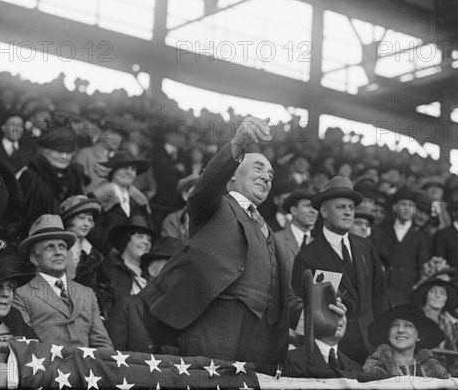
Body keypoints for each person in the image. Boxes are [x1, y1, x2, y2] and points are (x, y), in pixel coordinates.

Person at [141, 116, 341, 364]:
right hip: (214, 325)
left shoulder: (272, 234)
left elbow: (286, 301)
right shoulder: (215, 208)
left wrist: (323, 316)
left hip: (262, 339)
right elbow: (203, 190)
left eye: (270, 174)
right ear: (233, 175)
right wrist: (236, 144)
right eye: (258, 168)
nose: (267, 177)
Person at [292, 176, 389, 364]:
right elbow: (303, 314)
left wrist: (383, 341)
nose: (348, 213)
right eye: (341, 207)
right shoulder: (307, 256)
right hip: (335, 354)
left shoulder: (365, 247)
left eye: (351, 208)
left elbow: (380, 295)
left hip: (373, 350)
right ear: (324, 211)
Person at [13, 214, 113, 349]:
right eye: (50, 247)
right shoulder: (21, 294)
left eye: (62, 246)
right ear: (34, 259)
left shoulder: (86, 293)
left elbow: (102, 344)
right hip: (47, 368)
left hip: (86, 368)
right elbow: (25, 346)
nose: (58, 252)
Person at [106, 237, 182, 353]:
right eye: (169, 264)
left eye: (180, 267)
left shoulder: (186, 311)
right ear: (152, 270)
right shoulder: (128, 306)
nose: (175, 271)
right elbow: (113, 357)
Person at [18, 123, 85, 224]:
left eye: (68, 152)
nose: (64, 157)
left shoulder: (74, 177)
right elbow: (23, 217)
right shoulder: (31, 177)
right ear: (45, 150)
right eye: (59, 151)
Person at [363, 303, 448, 379]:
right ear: (388, 335)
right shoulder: (376, 367)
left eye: (408, 325)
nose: (400, 330)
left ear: (419, 336)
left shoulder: (433, 368)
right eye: (395, 325)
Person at [376, 187, 430, 305]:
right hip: (385, 286)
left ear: (414, 209)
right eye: (403, 204)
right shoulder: (384, 231)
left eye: (410, 205)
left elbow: (423, 266)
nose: (407, 208)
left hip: (408, 288)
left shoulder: (421, 235)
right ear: (395, 207)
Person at [91, 151, 151, 253]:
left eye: (133, 169)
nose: (129, 172)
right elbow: (93, 232)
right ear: (112, 171)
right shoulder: (99, 198)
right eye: (125, 168)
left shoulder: (138, 203)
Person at [103, 219, 155, 315]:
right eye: (140, 236)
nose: (146, 242)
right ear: (126, 239)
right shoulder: (108, 267)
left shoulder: (150, 274)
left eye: (149, 239)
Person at [273, 185, 316, 278]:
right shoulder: (276, 240)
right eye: (307, 206)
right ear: (294, 211)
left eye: (315, 207)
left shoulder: (319, 245)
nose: (313, 211)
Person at [74, 119, 125, 194]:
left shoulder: (118, 158)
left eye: (120, 135)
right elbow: (77, 184)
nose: (117, 138)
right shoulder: (86, 153)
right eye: (113, 133)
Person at [160, 174, 199, 244]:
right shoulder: (172, 220)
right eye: (195, 191)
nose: (200, 195)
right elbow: (170, 250)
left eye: (203, 191)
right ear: (185, 195)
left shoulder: (211, 218)